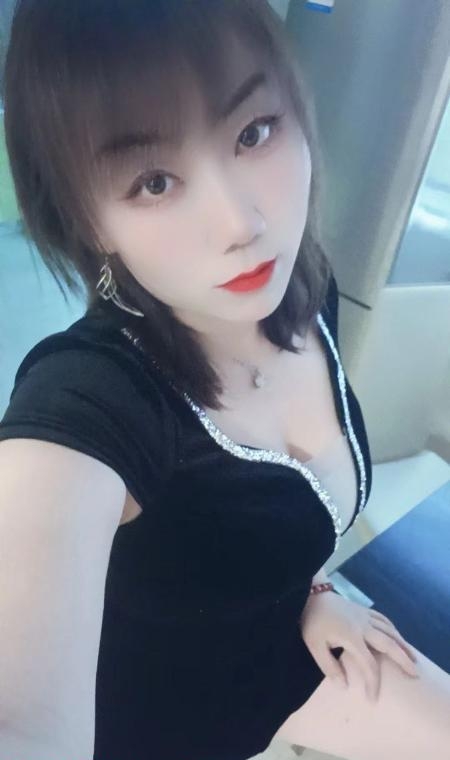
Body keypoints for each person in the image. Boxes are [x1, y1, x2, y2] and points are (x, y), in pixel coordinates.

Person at [0, 1, 449, 759]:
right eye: (153, 181)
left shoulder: (306, 288)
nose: (241, 223)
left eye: (253, 132)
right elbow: (23, 720)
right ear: (87, 221)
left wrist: (311, 590)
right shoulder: (89, 397)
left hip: (279, 651)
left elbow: (277, 516)